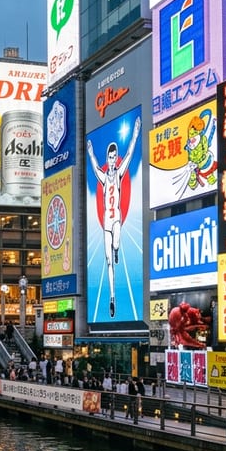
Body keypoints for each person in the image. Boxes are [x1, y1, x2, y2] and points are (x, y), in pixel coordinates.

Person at [86, 115, 141, 318]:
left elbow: (129, 153)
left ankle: (117, 249)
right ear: (106, 158)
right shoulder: (103, 175)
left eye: (113, 157)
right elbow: (93, 166)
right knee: (109, 262)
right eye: (109, 157)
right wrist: (91, 153)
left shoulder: (118, 174)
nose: (111, 160)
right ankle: (112, 298)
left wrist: (135, 134)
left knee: (116, 245)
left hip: (116, 219)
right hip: (106, 225)